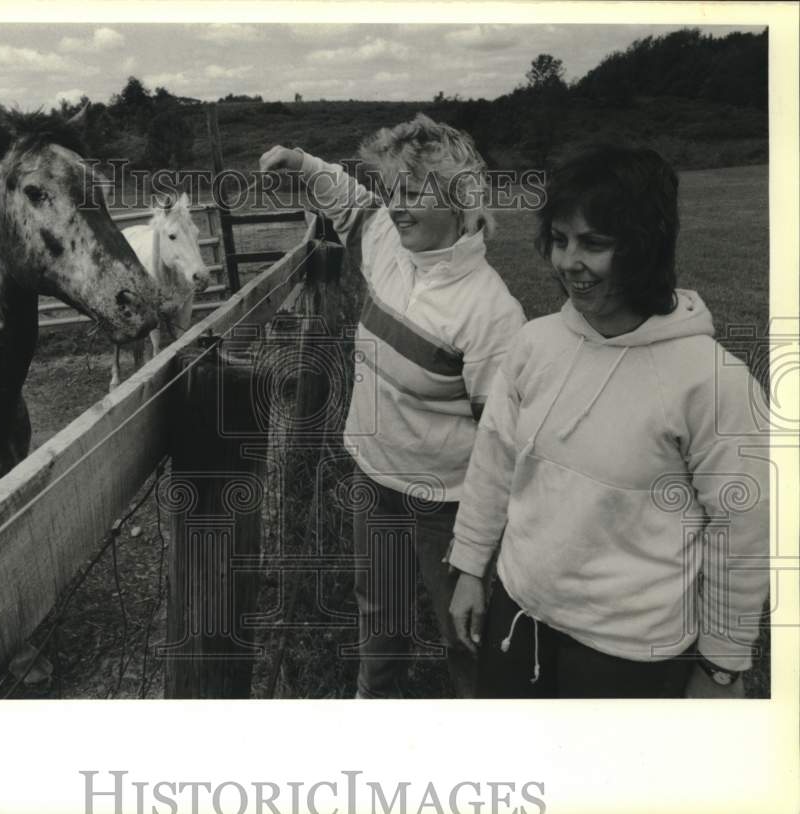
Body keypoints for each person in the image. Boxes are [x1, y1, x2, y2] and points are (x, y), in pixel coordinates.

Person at [447, 145, 769, 698]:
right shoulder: (534, 343)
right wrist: (471, 566)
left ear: (644, 248)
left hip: (629, 654)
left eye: (595, 243)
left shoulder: (715, 382)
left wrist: (721, 666)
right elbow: (494, 459)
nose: (569, 261)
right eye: (560, 239)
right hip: (517, 617)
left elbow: (742, 534)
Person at [260, 114, 526, 698]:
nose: (397, 206)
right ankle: (375, 708)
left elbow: (501, 448)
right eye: (394, 190)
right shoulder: (387, 241)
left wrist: (476, 562)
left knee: (464, 630)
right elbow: (352, 204)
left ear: (460, 201)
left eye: (415, 193)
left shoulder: (492, 315)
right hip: (375, 480)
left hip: (447, 506)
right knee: (378, 611)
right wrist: (302, 163)